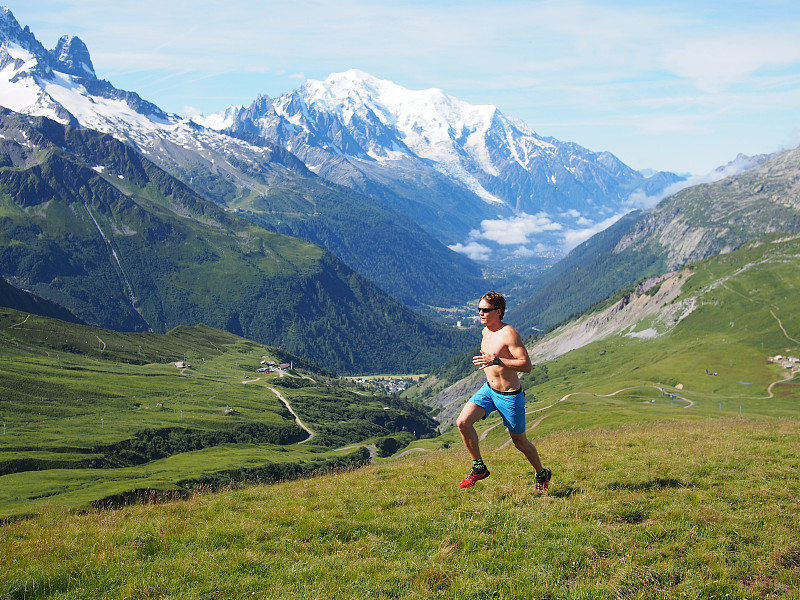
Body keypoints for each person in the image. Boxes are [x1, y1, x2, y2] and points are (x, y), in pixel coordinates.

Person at [456, 290, 551, 491]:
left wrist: (497, 360)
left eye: (485, 310)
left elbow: (526, 365)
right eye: (479, 309)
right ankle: (479, 468)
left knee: (520, 443)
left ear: (498, 312)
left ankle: (542, 474)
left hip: (509, 396)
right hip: (489, 390)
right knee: (463, 422)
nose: (480, 313)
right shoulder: (485, 331)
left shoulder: (509, 333)